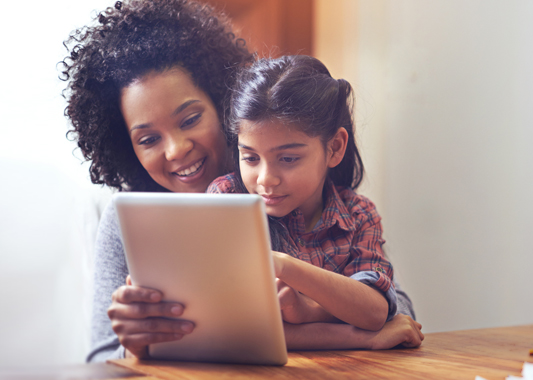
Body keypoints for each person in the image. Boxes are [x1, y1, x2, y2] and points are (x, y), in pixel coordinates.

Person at [61, 0, 420, 363]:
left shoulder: (293, 194)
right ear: (127, 147)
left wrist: (313, 309)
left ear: (224, 107)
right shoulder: (127, 220)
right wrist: (137, 341)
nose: (176, 149)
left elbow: (397, 311)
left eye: (189, 120)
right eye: (148, 139)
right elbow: (103, 359)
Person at [206, 55, 422, 343]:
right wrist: (358, 337)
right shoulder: (226, 202)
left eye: (288, 158)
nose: (265, 178)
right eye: (250, 157)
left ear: (334, 148)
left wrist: (286, 271)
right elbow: (231, 330)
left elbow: (375, 311)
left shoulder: (358, 214)